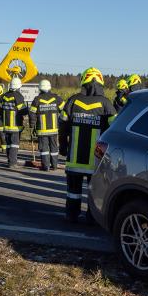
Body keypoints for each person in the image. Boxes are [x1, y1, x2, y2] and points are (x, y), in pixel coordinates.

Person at [59, 67, 116, 223]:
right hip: (96, 160)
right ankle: (93, 218)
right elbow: (114, 130)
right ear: (100, 83)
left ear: (84, 82)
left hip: (74, 159)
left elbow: (62, 126)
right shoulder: (106, 104)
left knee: (73, 191)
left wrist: (62, 146)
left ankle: (71, 215)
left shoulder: (73, 100)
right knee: (95, 191)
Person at [29, 80, 65, 171]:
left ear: (40, 88)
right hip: (54, 129)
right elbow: (64, 111)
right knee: (54, 148)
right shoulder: (56, 98)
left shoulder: (37, 99)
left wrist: (32, 125)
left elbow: (32, 113)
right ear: (49, 87)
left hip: (42, 130)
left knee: (44, 149)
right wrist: (63, 123)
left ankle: (46, 166)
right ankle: (55, 165)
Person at [1, 78, 28, 167]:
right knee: (14, 144)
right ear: (18, 86)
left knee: (8, 145)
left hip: (6, 124)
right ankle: (12, 163)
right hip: (15, 125)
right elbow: (22, 111)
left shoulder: (4, 96)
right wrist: (28, 109)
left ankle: (9, 160)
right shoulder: (18, 96)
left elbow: (1, 110)